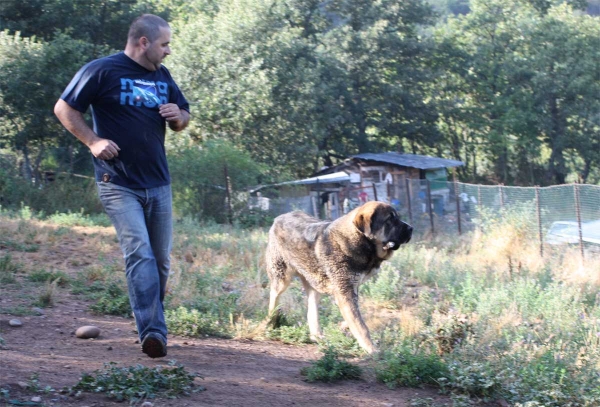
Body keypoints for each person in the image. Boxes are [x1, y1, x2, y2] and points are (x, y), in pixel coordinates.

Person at [54, 14, 190, 358]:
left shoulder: (162, 75)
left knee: (160, 261)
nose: (168, 51)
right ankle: (153, 331)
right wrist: (93, 141)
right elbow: (64, 108)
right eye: (164, 44)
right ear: (143, 42)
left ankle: (152, 321)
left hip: (158, 182)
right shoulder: (102, 70)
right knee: (139, 253)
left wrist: (179, 116)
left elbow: (183, 118)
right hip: (116, 181)